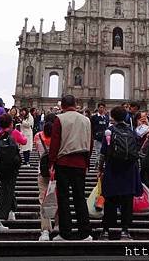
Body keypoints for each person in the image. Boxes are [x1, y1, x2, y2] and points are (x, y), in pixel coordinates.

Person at [49, 94, 92, 241]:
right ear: (76, 104)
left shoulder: (59, 119)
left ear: (62, 106)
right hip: (80, 163)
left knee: (63, 198)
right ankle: (85, 233)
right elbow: (90, 143)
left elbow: (54, 144)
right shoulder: (86, 120)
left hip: (63, 163)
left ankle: (65, 233)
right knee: (80, 197)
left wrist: (51, 163)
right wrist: (87, 162)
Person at [98, 106, 142, 241]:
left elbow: (103, 153)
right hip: (129, 171)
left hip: (113, 170)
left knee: (110, 200)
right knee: (127, 201)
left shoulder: (109, 131)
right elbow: (137, 152)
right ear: (126, 117)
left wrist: (100, 169)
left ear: (113, 117)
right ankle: (125, 231)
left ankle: (106, 231)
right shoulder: (133, 132)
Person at [0, 113, 26, 231]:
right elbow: (24, 141)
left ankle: (11, 211)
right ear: (11, 123)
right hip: (12, 167)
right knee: (6, 190)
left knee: (8, 187)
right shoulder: (14, 133)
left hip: (0, 168)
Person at [34, 113, 58, 241]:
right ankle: (58, 226)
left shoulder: (37, 136)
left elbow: (37, 150)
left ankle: (45, 231)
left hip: (42, 172)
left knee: (43, 200)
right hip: (58, 172)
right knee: (59, 198)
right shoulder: (59, 137)